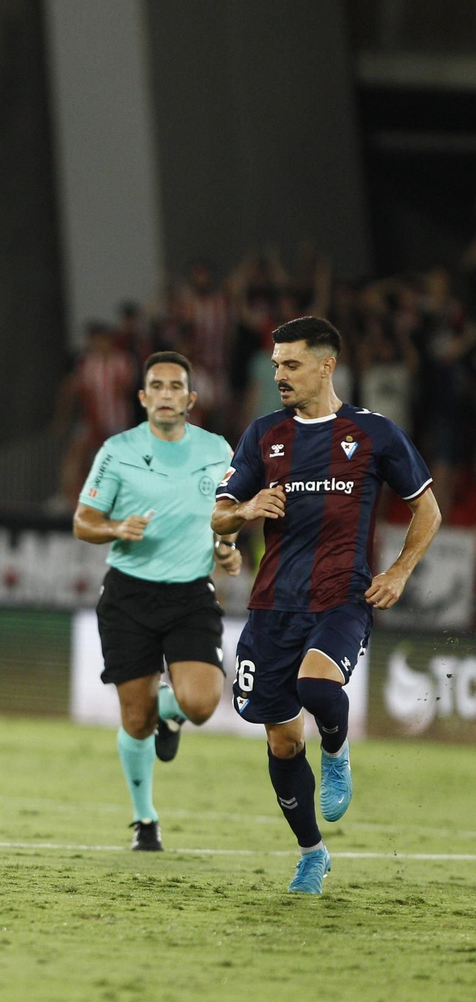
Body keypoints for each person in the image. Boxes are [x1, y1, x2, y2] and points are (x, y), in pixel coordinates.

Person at [213, 316, 440, 894]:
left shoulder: (375, 434)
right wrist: (245, 511)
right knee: (283, 740)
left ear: (326, 364)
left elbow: (428, 511)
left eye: (291, 364)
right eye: (276, 364)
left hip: (342, 600)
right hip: (271, 609)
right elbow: (219, 513)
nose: (279, 375)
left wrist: (399, 572)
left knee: (318, 690)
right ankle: (312, 853)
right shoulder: (263, 434)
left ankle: (336, 754)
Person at [73, 352, 239, 852]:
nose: (166, 394)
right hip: (128, 595)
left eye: (176, 386)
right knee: (134, 720)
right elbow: (83, 521)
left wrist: (225, 549)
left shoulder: (217, 451)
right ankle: (145, 821)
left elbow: (226, 516)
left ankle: (173, 712)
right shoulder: (117, 450)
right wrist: (115, 528)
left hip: (190, 594)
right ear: (143, 397)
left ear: (191, 398)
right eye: (156, 386)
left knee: (203, 703)